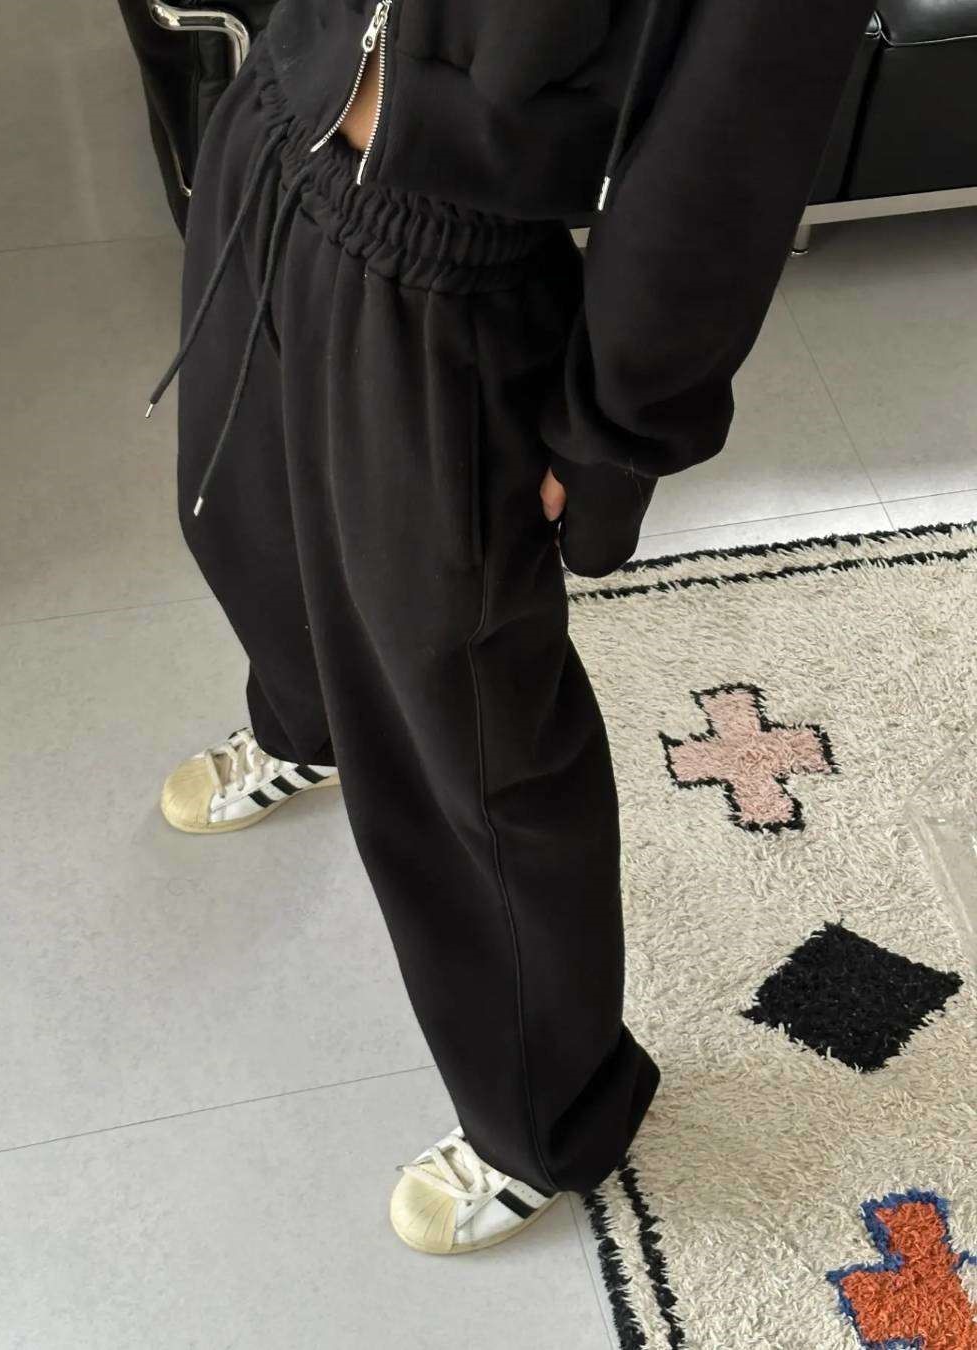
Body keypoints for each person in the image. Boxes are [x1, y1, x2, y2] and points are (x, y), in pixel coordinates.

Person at [148, 0, 874, 1255]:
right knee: (246, 516)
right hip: (275, 118)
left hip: (443, 268)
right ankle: (308, 722)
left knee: (474, 744)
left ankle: (545, 1113)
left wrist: (613, 430)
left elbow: (729, 142)